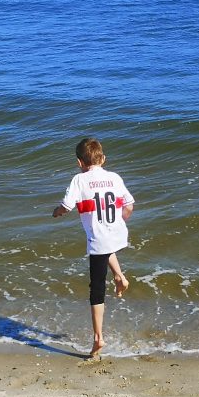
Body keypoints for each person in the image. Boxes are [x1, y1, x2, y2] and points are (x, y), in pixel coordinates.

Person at [52, 137, 134, 358]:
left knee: (96, 288)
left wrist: (57, 212)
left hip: (99, 237)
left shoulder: (79, 180)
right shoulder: (114, 177)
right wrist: (120, 221)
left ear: (80, 162)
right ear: (103, 159)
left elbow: (67, 206)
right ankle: (120, 277)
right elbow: (129, 205)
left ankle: (98, 338)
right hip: (117, 233)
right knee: (105, 247)